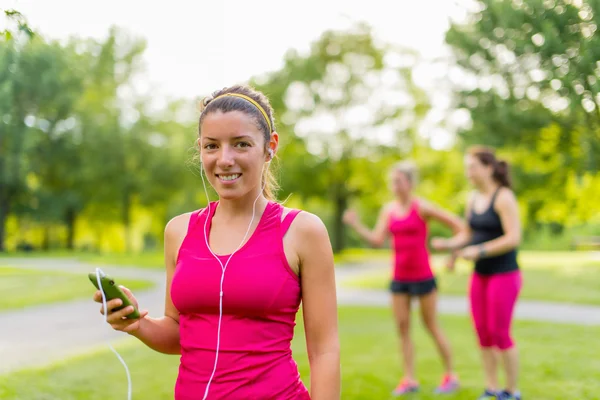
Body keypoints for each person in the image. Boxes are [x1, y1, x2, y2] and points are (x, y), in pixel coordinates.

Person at [93, 85, 341, 400]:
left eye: (241, 144)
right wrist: (135, 323)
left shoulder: (303, 231)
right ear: (200, 149)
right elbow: (179, 334)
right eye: (212, 146)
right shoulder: (179, 231)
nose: (224, 160)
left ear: (270, 146)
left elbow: (324, 352)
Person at [342, 160, 464, 396]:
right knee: (403, 328)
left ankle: (451, 375)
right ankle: (409, 379)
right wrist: (356, 225)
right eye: (392, 182)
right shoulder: (388, 210)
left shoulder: (422, 207)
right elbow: (377, 240)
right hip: (399, 278)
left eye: (398, 181)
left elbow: (458, 226)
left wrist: (452, 253)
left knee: (431, 325)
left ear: (409, 183)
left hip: (424, 277)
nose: (394, 186)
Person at [432, 146, 522, 400]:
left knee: (500, 333)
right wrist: (450, 248)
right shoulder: (473, 199)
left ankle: (512, 391)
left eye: (472, 167)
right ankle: (491, 388)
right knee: (482, 332)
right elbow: (469, 235)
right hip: (479, 275)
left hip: (504, 274)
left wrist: (480, 251)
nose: (468, 172)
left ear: (489, 168)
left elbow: (513, 237)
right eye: (466, 168)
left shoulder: (503, 197)